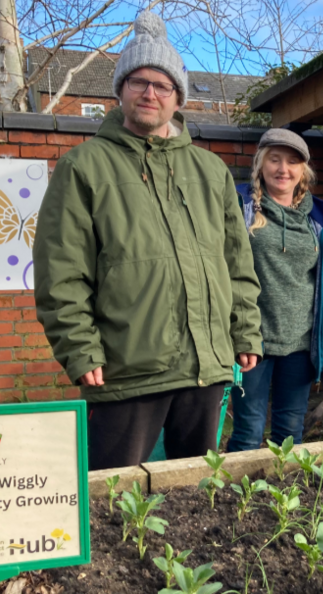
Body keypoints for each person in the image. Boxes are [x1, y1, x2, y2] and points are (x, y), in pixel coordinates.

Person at [33, 11, 263, 471]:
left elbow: (236, 262)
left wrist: (246, 329)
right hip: (125, 368)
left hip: (206, 365)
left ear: (178, 97)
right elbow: (62, 272)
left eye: (163, 85)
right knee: (114, 499)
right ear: (120, 89)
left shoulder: (209, 170)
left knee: (195, 500)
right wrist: (79, 348)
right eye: (139, 81)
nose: (150, 93)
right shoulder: (84, 167)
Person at [227, 129, 323, 452]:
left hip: (300, 343)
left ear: (303, 171)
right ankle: (243, 501)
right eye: (275, 159)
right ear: (260, 165)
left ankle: (284, 501)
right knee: (247, 433)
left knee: (289, 435)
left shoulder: (319, 221)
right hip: (252, 341)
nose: (283, 169)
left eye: (292, 162)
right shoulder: (239, 209)